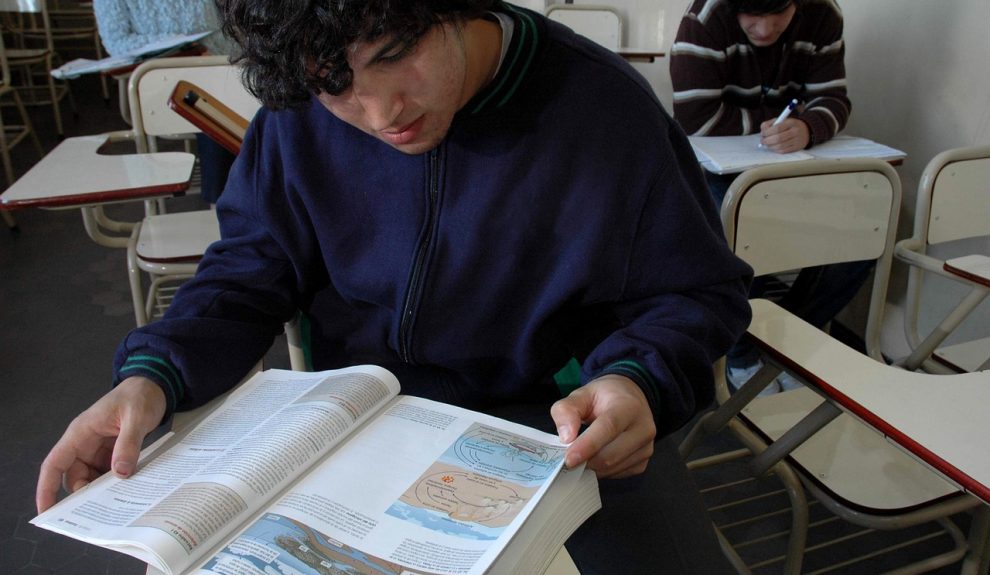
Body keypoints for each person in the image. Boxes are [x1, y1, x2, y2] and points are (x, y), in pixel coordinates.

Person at [38, 1, 754, 573]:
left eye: (395, 56)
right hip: (357, 423)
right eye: (337, 82)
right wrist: (153, 374)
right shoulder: (297, 117)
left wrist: (639, 378)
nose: (382, 115)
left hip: (560, 425)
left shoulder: (604, 111)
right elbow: (250, 268)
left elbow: (697, 292)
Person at [670, 0, 868, 391]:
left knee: (865, 228)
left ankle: (785, 343)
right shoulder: (704, 20)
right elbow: (696, 119)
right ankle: (741, 349)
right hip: (720, 168)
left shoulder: (824, 14)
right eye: (751, 16)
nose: (764, 29)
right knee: (746, 234)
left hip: (792, 161)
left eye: (779, 14)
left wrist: (808, 127)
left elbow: (834, 99)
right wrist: (774, 123)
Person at [93, 0, 238, 204]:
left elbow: (220, 27)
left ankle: (244, 199)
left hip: (219, 63)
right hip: (163, 76)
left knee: (259, 99)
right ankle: (223, 202)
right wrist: (183, 45)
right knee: (212, 108)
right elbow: (117, 42)